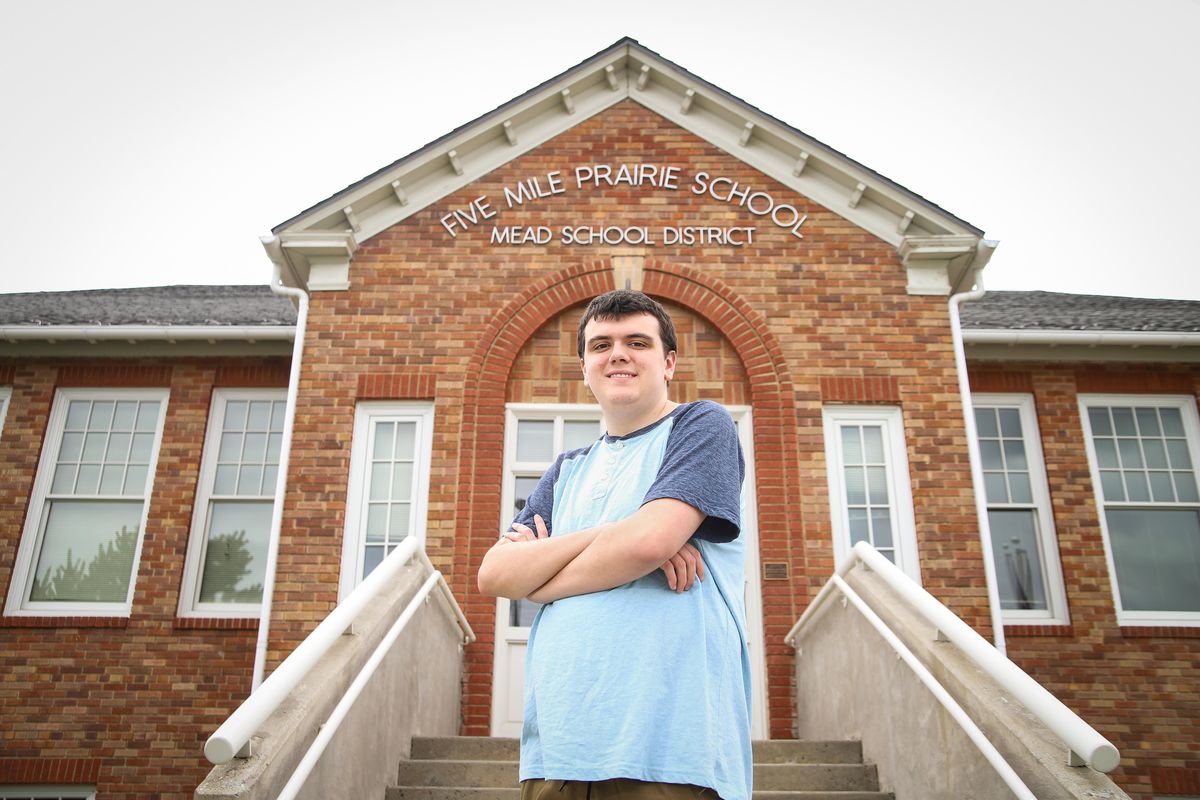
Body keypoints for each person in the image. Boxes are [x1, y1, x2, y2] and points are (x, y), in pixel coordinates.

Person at [477, 290, 751, 800]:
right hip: (559, 747)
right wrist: (613, 533)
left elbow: (648, 542)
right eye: (600, 344)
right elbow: (495, 575)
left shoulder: (700, 426)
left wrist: (542, 583)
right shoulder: (566, 470)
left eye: (637, 342)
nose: (618, 353)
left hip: (668, 750)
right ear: (584, 367)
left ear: (668, 362)